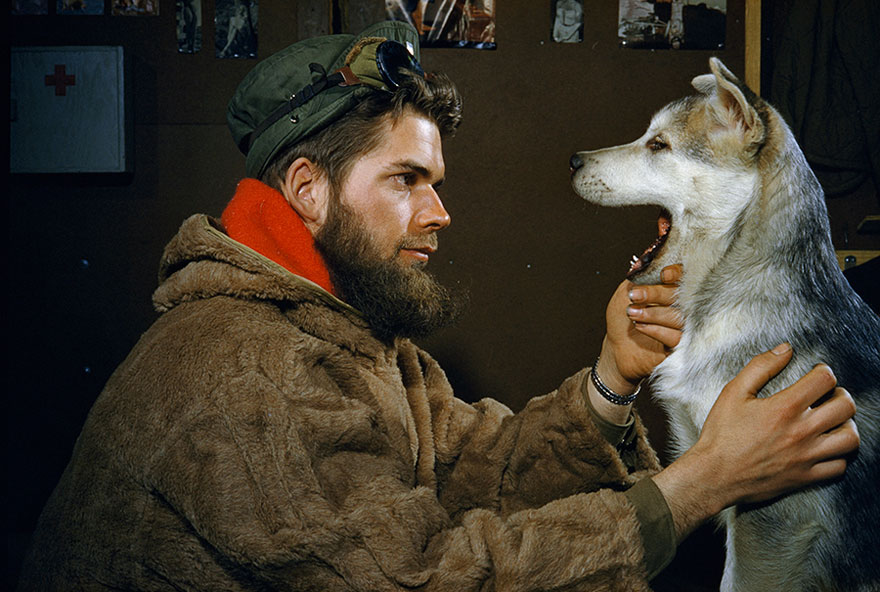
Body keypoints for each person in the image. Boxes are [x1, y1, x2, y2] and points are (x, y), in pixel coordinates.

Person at [18, 21, 858, 591]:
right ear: (306, 191)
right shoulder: (244, 369)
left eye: (438, 183)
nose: (439, 212)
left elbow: (478, 472)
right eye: (406, 180)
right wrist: (703, 481)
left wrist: (611, 378)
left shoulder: (344, 326)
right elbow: (420, 578)